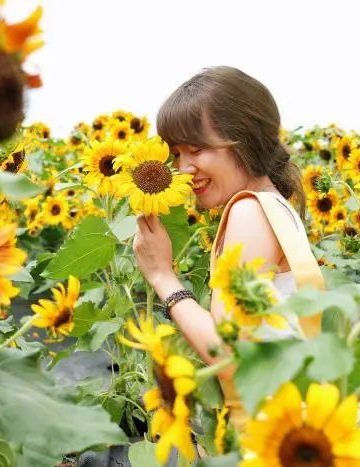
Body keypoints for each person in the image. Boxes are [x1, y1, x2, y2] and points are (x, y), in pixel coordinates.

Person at [132, 66, 325, 428]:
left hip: (265, 431)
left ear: (245, 139)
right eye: (176, 154)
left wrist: (163, 277)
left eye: (197, 149)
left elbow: (230, 354)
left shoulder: (249, 211)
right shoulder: (275, 205)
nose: (183, 169)